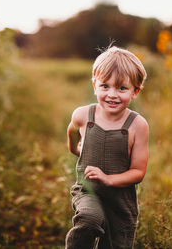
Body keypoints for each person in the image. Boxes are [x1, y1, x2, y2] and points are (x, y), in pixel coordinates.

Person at [65, 46, 149, 249]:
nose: (112, 94)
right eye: (105, 86)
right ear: (95, 86)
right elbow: (72, 132)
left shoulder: (137, 125)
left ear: (135, 91)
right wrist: (77, 149)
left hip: (121, 202)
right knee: (89, 219)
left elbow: (138, 172)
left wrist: (108, 179)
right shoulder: (83, 115)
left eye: (122, 88)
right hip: (89, 191)